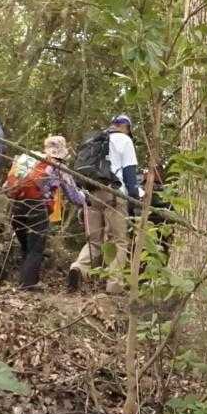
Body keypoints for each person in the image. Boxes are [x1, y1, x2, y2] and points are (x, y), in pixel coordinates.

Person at [69, 114, 141, 295]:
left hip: (91, 193)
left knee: (94, 241)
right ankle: (114, 285)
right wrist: (134, 199)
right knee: (119, 241)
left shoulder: (95, 140)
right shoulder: (125, 140)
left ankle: (78, 268)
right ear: (127, 128)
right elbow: (130, 175)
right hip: (113, 194)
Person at [3, 136, 86, 290]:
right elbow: (74, 196)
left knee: (25, 246)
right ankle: (28, 284)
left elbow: (6, 186)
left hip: (17, 205)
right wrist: (87, 198)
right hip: (37, 207)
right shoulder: (58, 166)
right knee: (35, 248)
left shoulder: (29, 158)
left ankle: (22, 281)